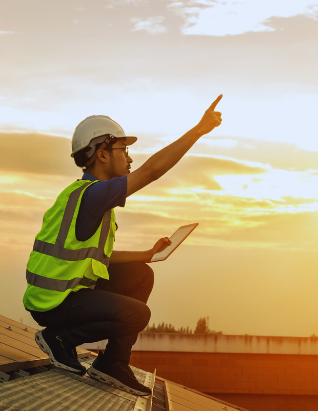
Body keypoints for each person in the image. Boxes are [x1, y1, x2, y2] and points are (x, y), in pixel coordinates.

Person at [24, 96, 224, 395]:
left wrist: (147, 254)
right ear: (102, 154)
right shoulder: (93, 195)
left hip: (64, 294)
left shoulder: (87, 196)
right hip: (56, 302)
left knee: (141, 274)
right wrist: (198, 130)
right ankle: (60, 339)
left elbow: (95, 257)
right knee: (137, 315)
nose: (130, 159)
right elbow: (152, 172)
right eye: (124, 150)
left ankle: (113, 364)